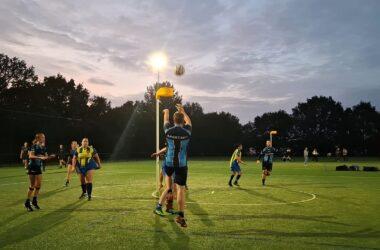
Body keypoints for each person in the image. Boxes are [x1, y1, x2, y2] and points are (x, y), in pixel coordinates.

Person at [154, 104, 192, 228]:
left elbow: (165, 119)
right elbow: (189, 121)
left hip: (169, 163)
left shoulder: (168, 130)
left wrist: (166, 111)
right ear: (183, 121)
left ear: (174, 121)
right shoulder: (187, 131)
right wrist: (183, 111)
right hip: (181, 164)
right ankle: (181, 216)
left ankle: (165, 206)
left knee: (169, 187)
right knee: (180, 189)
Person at [24, 133, 54, 211]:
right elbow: (30, 156)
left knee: (38, 186)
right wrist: (40, 157)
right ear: (38, 138)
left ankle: (34, 200)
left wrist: (50, 157)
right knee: (32, 185)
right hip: (32, 167)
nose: (44, 138)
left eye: (44, 137)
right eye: (42, 137)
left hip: (38, 168)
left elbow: (46, 157)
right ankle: (27, 202)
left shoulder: (43, 147)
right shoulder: (33, 146)